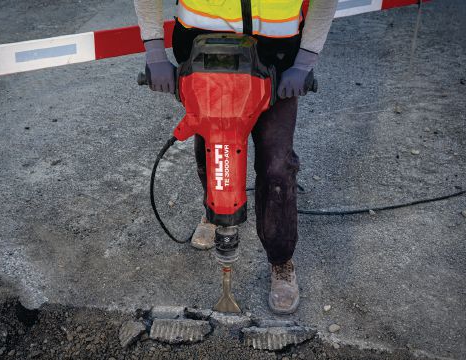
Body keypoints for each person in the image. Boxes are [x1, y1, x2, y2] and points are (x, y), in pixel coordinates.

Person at [133, 0, 338, 314]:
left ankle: (280, 260)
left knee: (277, 165)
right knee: (214, 147)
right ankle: (214, 213)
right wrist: (155, 52)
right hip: (205, 55)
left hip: (278, 61)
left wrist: (305, 63)